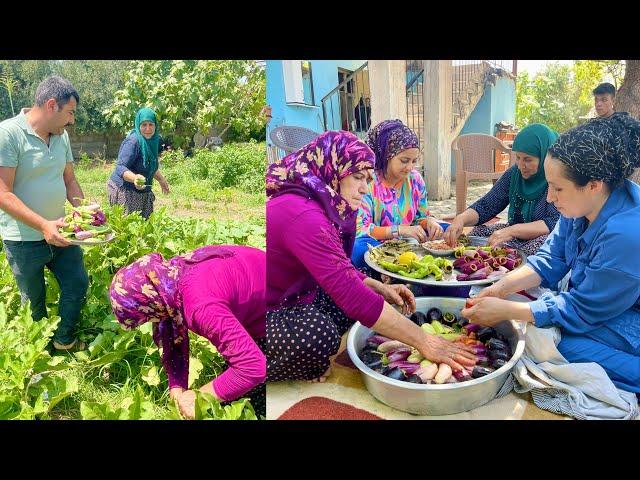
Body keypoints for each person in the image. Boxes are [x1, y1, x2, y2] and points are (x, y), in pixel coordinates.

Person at [265, 131, 476, 382]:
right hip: (269, 308)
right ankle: (265, 364)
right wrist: (426, 342)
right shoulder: (303, 214)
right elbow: (349, 292)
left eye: (367, 179)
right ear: (333, 169)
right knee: (318, 337)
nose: (365, 188)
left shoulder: (327, 202)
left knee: (363, 285)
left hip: (301, 292)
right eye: (357, 177)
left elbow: (339, 267)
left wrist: (379, 287)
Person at [462, 113, 640, 395]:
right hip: (598, 304)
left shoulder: (626, 234)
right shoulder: (582, 205)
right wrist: (498, 288)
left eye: (557, 188)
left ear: (594, 185)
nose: (549, 198)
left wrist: (510, 310)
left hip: (625, 317)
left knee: (552, 342)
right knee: (533, 325)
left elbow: (582, 309)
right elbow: (551, 258)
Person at [109, 244, 267, 418]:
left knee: (251, 403)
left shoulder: (202, 307)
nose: (151, 322)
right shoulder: (170, 280)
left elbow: (253, 367)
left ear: (150, 305)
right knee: (230, 385)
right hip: (269, 280)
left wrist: (198, 397)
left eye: (146, 318)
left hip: (288, 310)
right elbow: (170, 329)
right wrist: (177, 387)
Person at [0, 75, 89, 352]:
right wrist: (43, 226)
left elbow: (69, 180)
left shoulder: (61, 137)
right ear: (52, 105)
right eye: (70, 112)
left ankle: (64, 340)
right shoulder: (8, 134)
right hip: (24, 239)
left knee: (77, 284)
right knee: (34, 302)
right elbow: (3, 194)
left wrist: (84, 212)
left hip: (62, 232)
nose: (72, 120)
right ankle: (38, 357)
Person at [444, 123, 560, 256]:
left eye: (528, 159)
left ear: (545, 156)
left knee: (537, 249)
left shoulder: (555, 180)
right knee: (475, 234)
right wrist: (461, 219)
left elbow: (552, 223)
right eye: (518, 158)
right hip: (514, 234)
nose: (521, 165)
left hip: (541, 237)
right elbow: (487, 205)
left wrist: (511, 231)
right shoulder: (514, 174)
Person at [351, 119, 443, 269]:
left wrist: (430, 222)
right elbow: (362, 229)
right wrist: (399, 230)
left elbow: (420, 218)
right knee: (357, 248)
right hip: (378, 245)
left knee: (444, 229)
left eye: (414, 161)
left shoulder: (415, 180)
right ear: (386, 155)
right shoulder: (368, 181)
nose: (410, 167)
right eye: (404, 160)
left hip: (410, 241)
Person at [107, 107, 170, 219]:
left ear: (155, 125)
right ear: (138, 125)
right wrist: (134, 178)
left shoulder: (153, 141)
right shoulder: (133, 142)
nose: (148, 129)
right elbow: (120, 167)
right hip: (125, 189)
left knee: (143, 227)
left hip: (142, 190)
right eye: (144, 125)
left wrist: (161, 179)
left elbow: (149, 164)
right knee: (128, 228)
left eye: (151, 125)